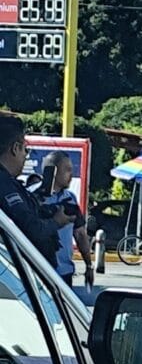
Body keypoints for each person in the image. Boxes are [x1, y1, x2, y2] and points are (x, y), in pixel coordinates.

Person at [0, 117, 73, 272]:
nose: (26, 155)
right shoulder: (5, 186)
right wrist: (56, 221)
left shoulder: (9, 183)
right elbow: (31, 230)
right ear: (15, 148)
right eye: (26, 150)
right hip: (17, 274)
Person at [41, 151, 94, 289]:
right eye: (67, 170)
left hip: (64, 274)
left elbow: (80, 234)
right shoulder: (34, 198)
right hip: (38, 270)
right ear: (53, 171)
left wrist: (89, 265)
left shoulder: (70, 199)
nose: (71, 175)